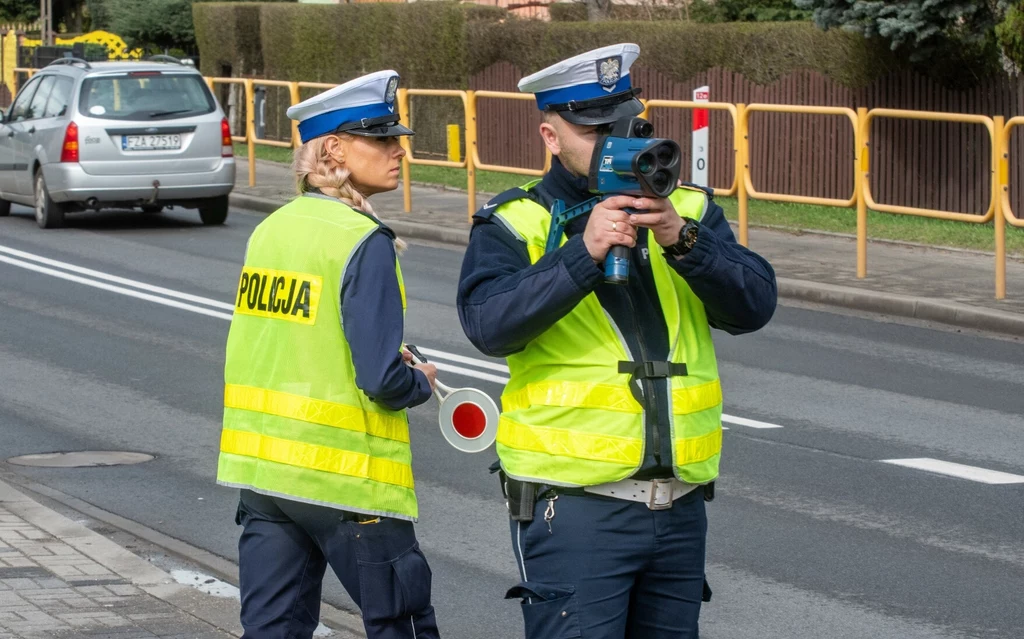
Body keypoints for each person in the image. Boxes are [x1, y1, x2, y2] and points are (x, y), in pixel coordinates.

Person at [456, 44, 777, 638]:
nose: (616, 139)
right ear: (551, 136)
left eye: (627, 122)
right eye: (596, 128)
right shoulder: (517, 219)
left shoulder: (687, 208)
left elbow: (754, 306)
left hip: (678, 506)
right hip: (574, 508)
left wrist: (685, 241)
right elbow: (487, 324)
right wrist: (582, 254)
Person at [216, 70, 442, 639]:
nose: (398, 152)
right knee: (402, 627)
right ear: (334, 150)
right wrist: (420, 382)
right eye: (382, 139)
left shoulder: (270, 229)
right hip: (348, 483)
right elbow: (382, 379)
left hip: (268, 478)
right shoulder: (362, 239)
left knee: (273, 631)